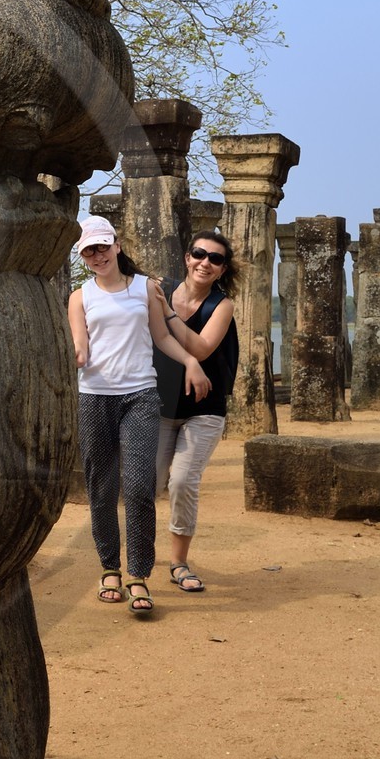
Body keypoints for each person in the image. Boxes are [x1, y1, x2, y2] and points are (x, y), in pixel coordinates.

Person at [68, 216, 210, 616]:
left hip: (140, 395)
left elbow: (161, 335)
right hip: (95, 395)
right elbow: (82, 345)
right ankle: (109, 567)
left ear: (116, 245)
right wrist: (75, 356)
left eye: (102, 247)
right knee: (101, 486)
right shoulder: (80, 296)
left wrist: (190, 362)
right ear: (84, 257)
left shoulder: (145, 287)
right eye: (89, 251)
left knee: (138, 487)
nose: (98, 256)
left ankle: (138, 574)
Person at [152, 229, 241, 594]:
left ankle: (179, 562)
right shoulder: (157, 288)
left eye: (215, 259)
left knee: (183, 481)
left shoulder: (222, 305)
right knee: (146, 484)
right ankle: (140, 557)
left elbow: (203, 349)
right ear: (187, 257)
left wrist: (168, 311)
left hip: (204, 408)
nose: (206, 262)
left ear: (222, 269)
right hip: (157, 406)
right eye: (199, 254)